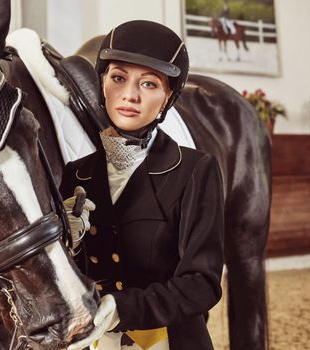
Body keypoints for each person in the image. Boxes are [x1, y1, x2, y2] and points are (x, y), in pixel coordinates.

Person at [61, 20, 225, 350]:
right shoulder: (75, 174)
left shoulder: (196, 170)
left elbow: (203, 283)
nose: (130, 95)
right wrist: (68, 245)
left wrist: (124, 307)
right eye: (118, 78)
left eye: (149, 84)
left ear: (167, 98)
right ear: (102, 85)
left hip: (167, 341)